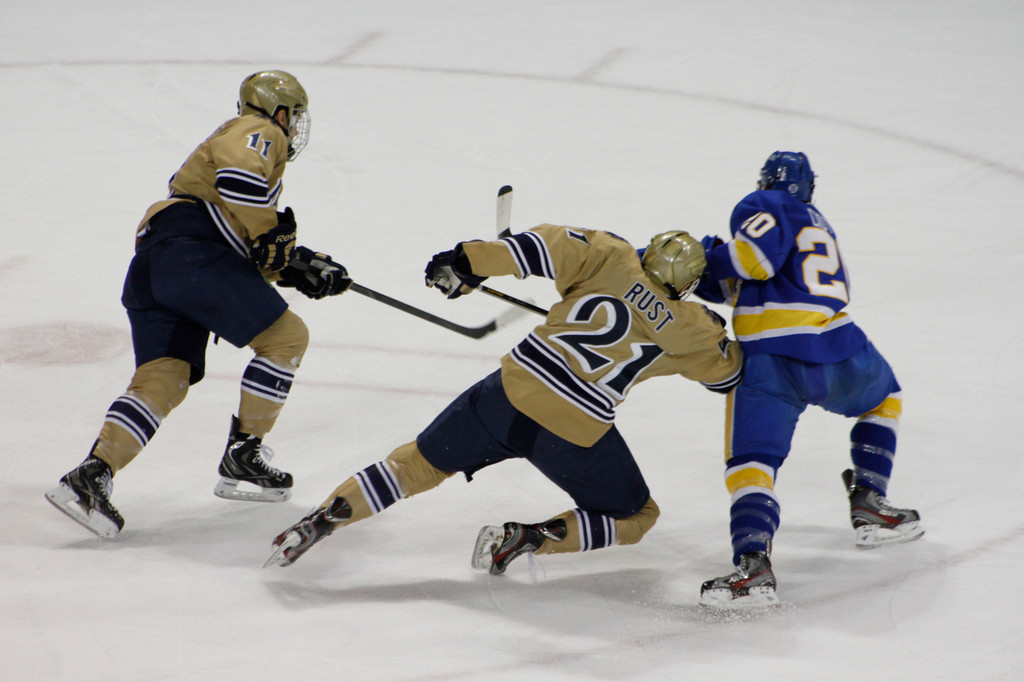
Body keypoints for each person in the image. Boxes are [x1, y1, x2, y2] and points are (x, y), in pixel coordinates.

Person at [264, 225, 743, 572]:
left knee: (415, 465)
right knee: (639, 516)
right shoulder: (693, 329)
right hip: (572, 434)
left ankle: (322, 518)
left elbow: (536, 249)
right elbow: (730, 375)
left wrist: (468, 264)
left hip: (507, 396)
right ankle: (530, 539)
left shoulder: (610, 253)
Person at [45, 71, 352, 538]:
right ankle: (244, 454)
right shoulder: (259, 130)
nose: (293, 129)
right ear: (282, 112)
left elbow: (239, 236)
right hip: (192, 257)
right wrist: (274, 239)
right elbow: (237, 182)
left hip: (157, 267)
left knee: (164, 378)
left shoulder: (225, 164)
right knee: (287, 337)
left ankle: (92, 474)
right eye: (295, 118)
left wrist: (298, 265)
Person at [695, 151, 923, 609]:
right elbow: (754, 281)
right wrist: (706, 269)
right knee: (885, 398)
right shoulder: (819, 226)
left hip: (769, 361)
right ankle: (871, 501)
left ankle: (754, 565)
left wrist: (701, 257)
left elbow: (752, 261)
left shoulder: (765, 204)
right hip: (838, 348)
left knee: (751, 463)